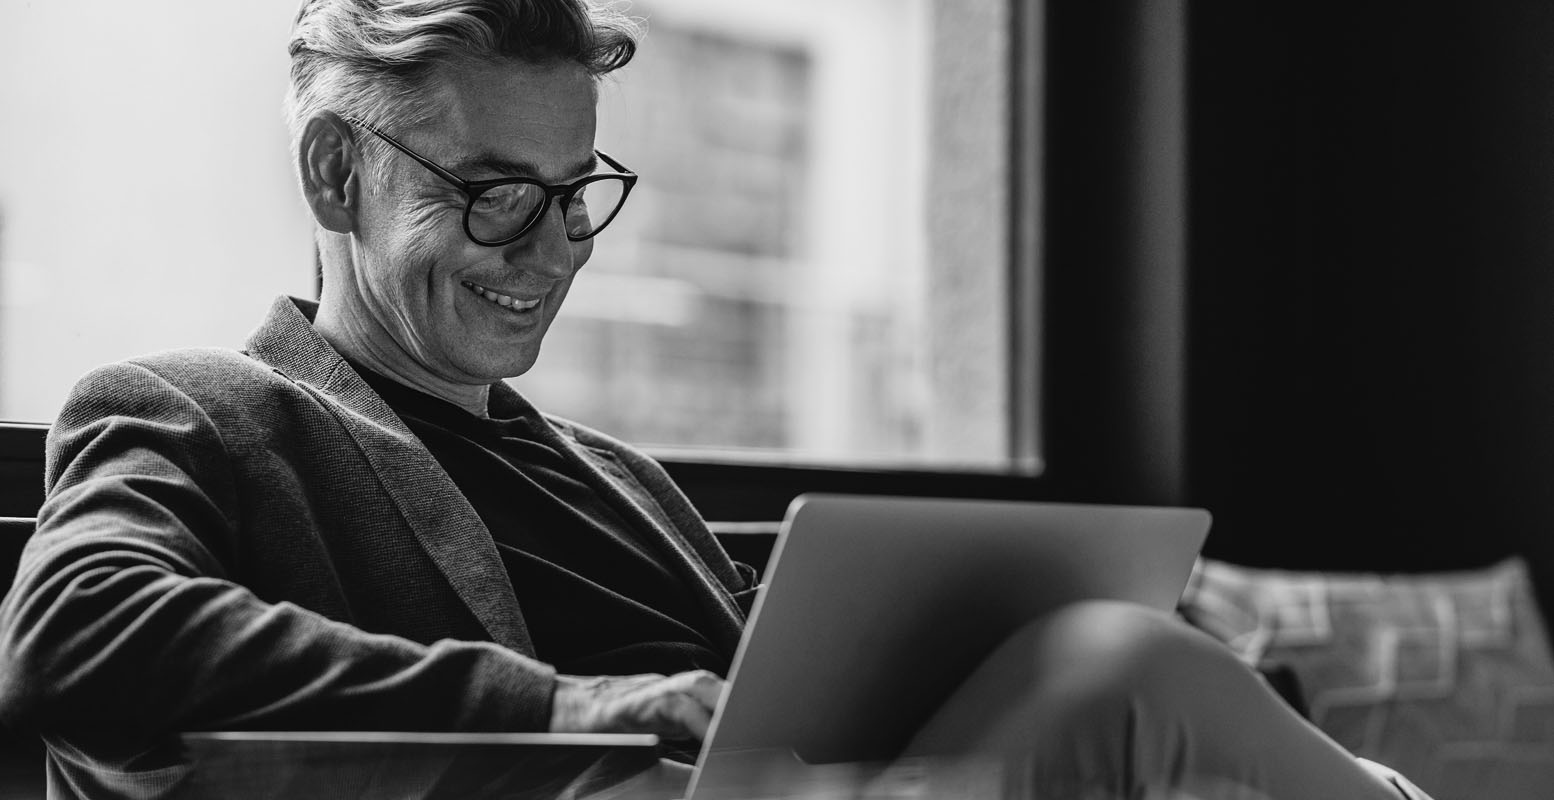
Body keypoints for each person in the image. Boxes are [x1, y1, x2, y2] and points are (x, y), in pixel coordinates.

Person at [0, 1, 1431, 798]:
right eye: (497, 195)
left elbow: (781, 694)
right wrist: (569, 707)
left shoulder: (617, 476)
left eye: (578, 195)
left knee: (1120, 651)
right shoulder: (197, 409)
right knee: (1119, 676)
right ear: (334, 175)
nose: (552, 250)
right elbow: (77, 630)